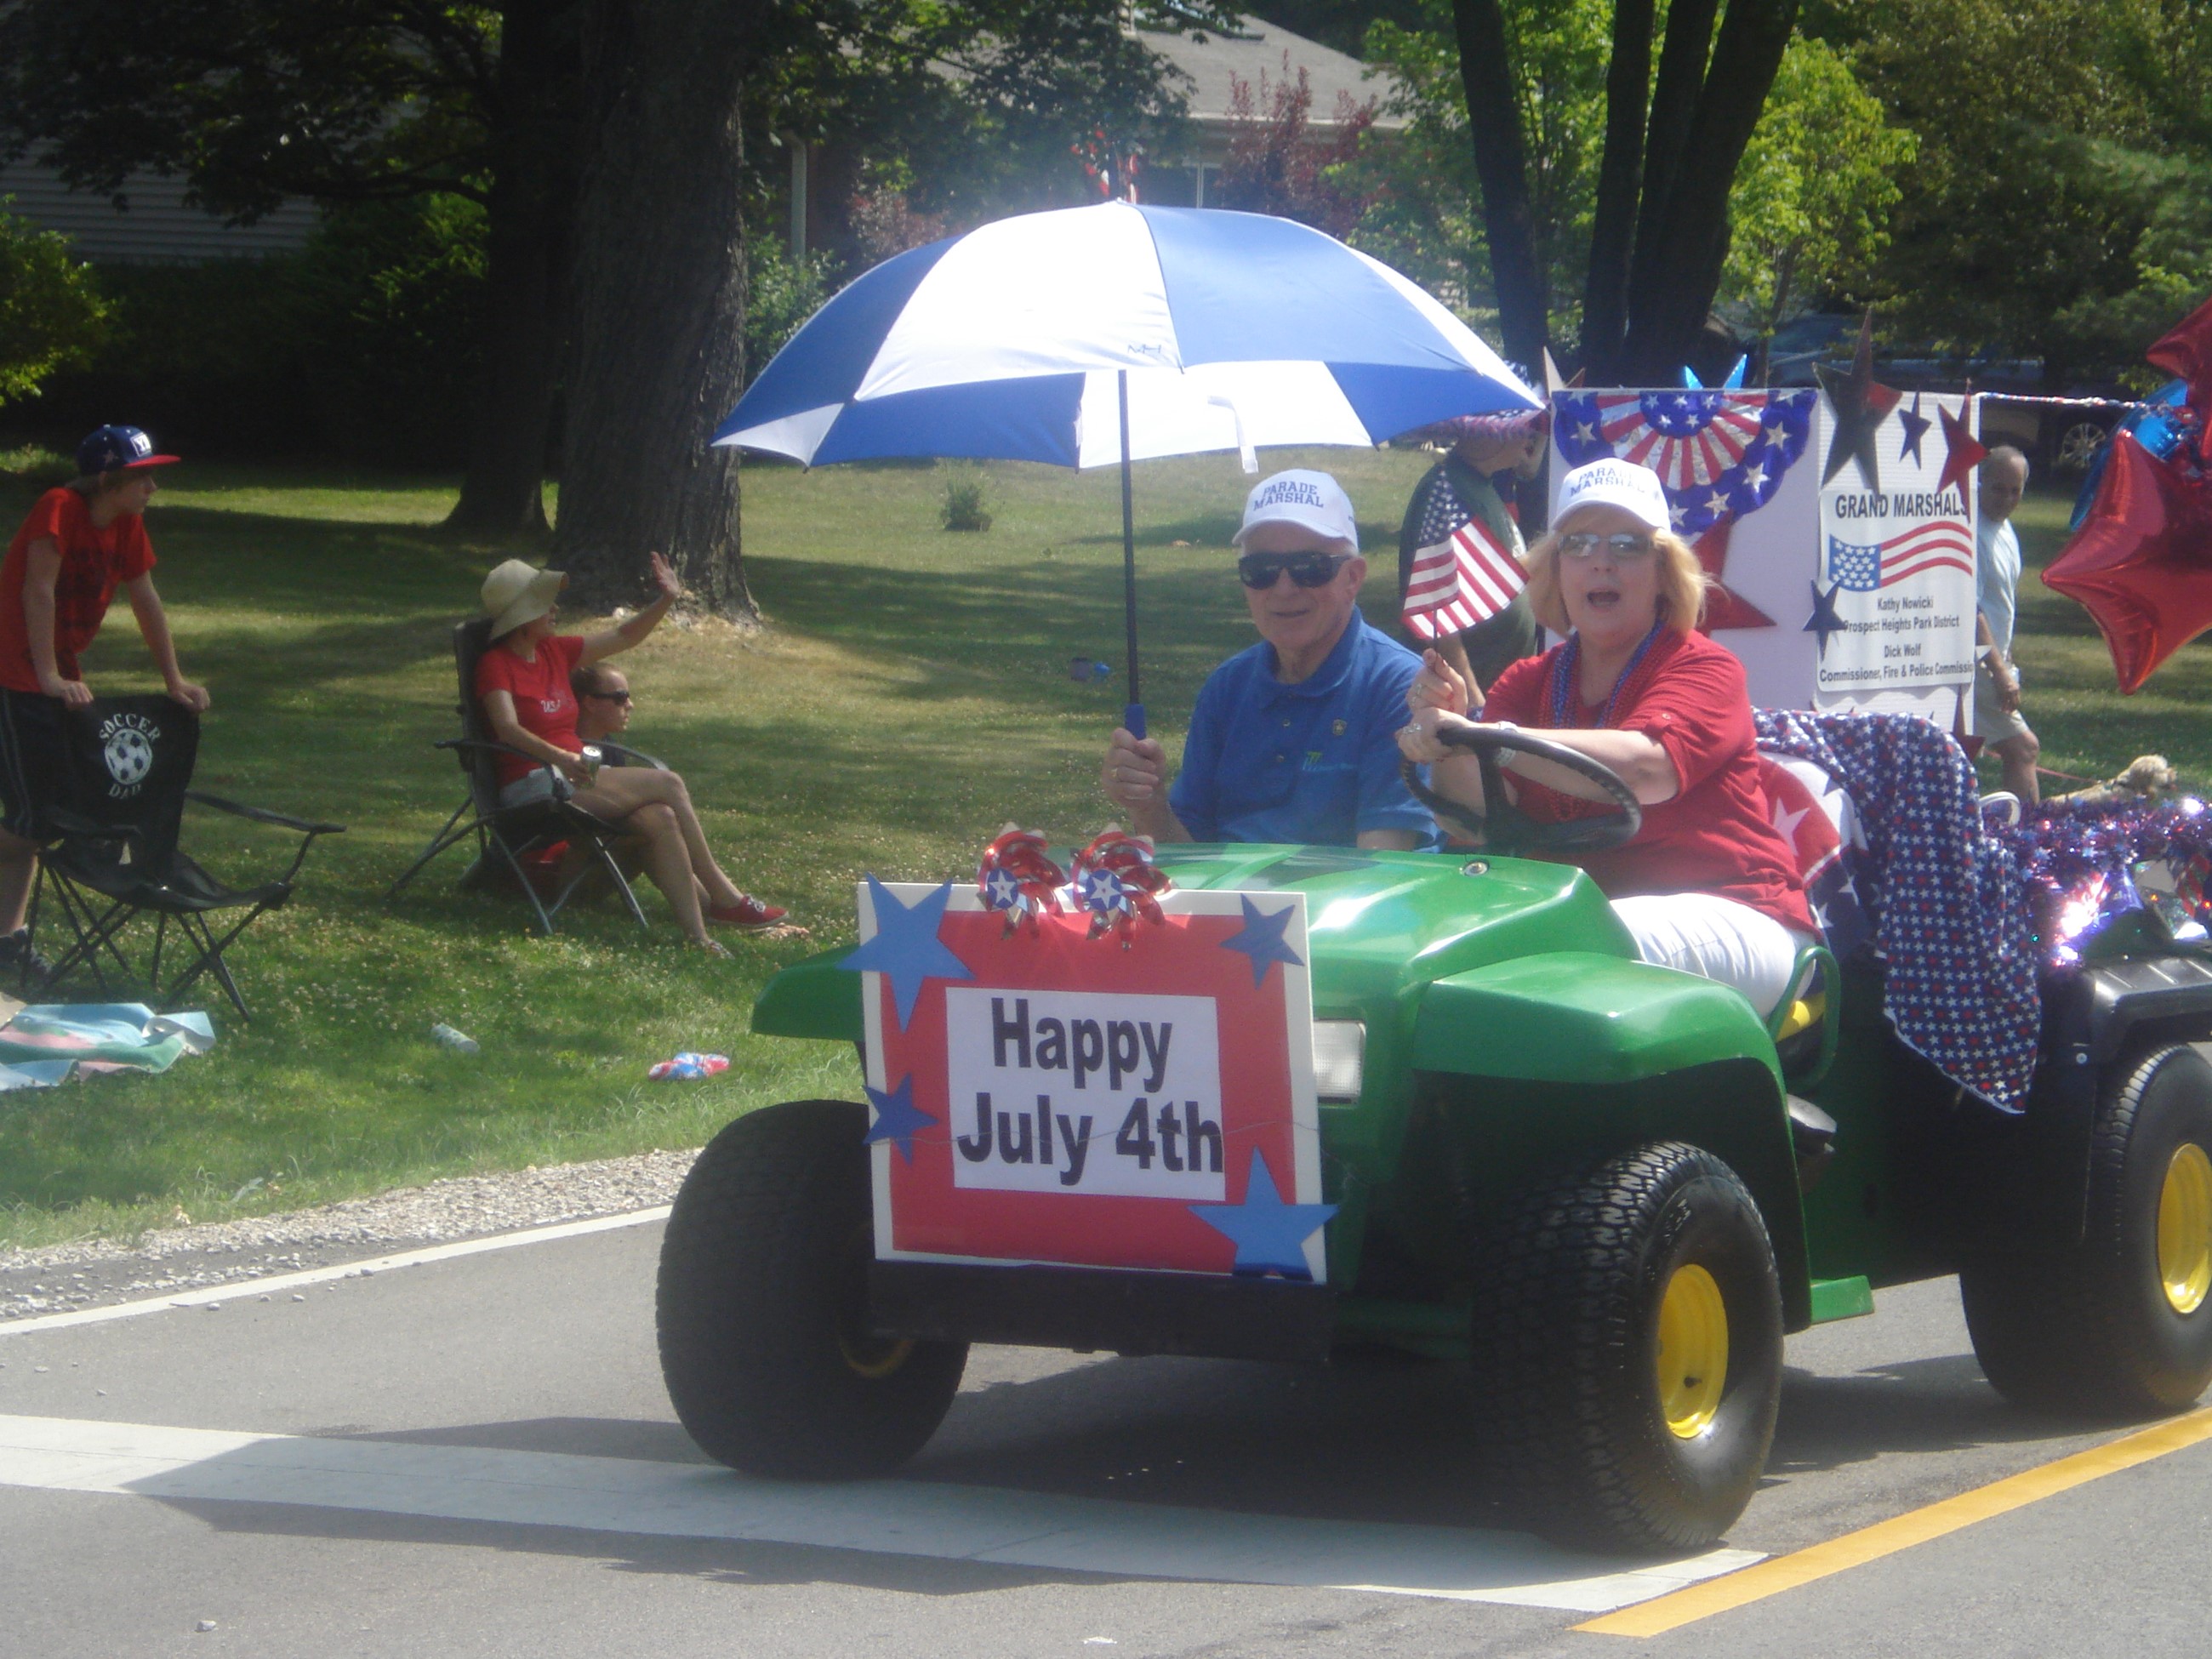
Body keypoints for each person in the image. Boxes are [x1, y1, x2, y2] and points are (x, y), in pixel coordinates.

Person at [1396, 458, 1816, 1017]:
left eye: (1627, 545)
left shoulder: (1704, 668)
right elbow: (1473, 817)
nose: (1601, 563)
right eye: (1579, 544)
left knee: (1563, 948)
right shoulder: (1529, 682)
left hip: (1739, 912)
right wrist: (1449, 736)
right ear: (1556, 569)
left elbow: (1646, 770)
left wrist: (1488, 736)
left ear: (1664, 571)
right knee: (1434, 950)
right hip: (1580, 916)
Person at [1101, 469, 1434, 849]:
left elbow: (1383, 868)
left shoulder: (1398, 687)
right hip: (1227, 904)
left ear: (1353, 578)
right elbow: (1186, 859)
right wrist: (1148, 804)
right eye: (1261, 571)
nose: (1284, 589)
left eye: (1310, 568)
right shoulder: (1228, 687)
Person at [474, 554, 789, 950]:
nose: (555, 609)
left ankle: (698, 936)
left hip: (575, 777)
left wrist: (666, 600)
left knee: (658, 816)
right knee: (668, 783)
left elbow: (624, 637)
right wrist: (562, 758)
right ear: (522, 615)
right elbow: (506, 728)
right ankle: (726, 897)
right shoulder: (495, 664)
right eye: (544, 603)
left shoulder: (553, 651)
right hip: (532, 784)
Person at [0, 425, 210, 975]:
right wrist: (47, 675)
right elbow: (36, 589)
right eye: (142, 477)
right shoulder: (59, 507)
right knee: (32, 819)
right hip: (12, 671)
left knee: (42, 815)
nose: (153, 488)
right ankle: (10, 936)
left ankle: (7, 940)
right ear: (107, 478)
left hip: (51, 670)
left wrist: (175, 680)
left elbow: (145, 596)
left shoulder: (126, 525)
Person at [1397, 410, 1548, 700]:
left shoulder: (1480, 482)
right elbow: (1433, 606)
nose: (1528, 436)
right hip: (1472, 695)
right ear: (1490, 435)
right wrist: (1471, 697)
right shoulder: (1444, 490)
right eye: (1521, 427)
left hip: (1501, 690)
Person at [1973, 446, 2039, 805]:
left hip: (1993, 658)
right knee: (2023, 748)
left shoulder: (2003, 528)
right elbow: (1971, 611)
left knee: (1957, 754)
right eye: (1999, 488)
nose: (2008, 498)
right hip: (1977, 663)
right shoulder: (1973, 533)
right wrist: (1999, 671)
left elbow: (2000, 603)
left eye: (2016, 490)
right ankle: (2029, 836)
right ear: (1979, 483)